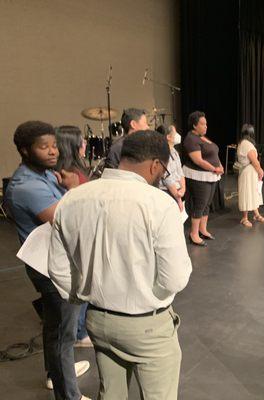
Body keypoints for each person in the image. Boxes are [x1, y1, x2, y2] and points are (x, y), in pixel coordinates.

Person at [48, 131, 192, 400]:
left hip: (98, 321)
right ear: (155, 165)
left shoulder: (73, 199)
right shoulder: (159, 204)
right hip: (147, 326)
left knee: (111, 394)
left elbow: (57, 267)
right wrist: (148, 297)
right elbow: (175, 278)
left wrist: (82, 296)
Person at [4, 121, 91, 400]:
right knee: (63, 336)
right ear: (24, 150)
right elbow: (68, 220)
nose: (53, 152)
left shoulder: (44, 175)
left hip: (56, 261)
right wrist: (75, 189)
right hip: (51, 269)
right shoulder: (28, 186)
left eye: (54, 145)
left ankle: (56, 377)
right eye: (44, 147)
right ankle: (69, 395)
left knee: (55, 330)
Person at [55, 125, 92, 348]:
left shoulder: (75, 168)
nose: (85, 145)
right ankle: (78, 333)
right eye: (82, 141)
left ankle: (80, 329)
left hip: (83, 235)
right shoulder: (67, 172)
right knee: (78, 288)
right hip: (76, 237)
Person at [182, 111, 224, 246]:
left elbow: (214, 154)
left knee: (207, 205)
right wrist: (214, 169)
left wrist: (221, 166)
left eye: (206, 124)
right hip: (199, 176)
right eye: (202, 124)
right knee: (200, 205)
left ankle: (203, 230)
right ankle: (193, 234)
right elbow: (198, 160)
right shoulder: (191, 139)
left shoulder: (203, 137)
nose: (206, 126)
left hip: (211, 176)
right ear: (194, 125)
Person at [236, 124, 264, 227]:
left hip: (249, 172)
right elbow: (254, 161)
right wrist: (260, 170)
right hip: (248, 172)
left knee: (253, 192)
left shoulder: (243, 143)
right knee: (247, 193)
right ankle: (244, 218)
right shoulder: (247, 144)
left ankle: (256, 214)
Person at [156, 124, 186, 212]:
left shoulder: (174, 151)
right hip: (166, 192)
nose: (177, 135)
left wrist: (183, 189)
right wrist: (178, 198)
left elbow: (180, 172)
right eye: (175, 132)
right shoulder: (161, 153)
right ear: (168, 137)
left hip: (177, 191)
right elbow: (167, 178)